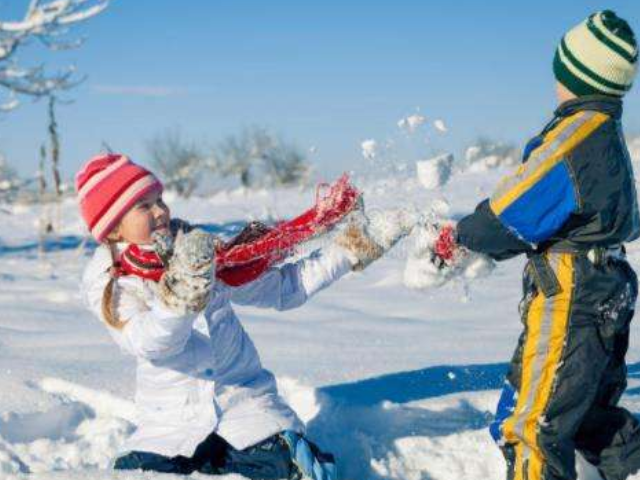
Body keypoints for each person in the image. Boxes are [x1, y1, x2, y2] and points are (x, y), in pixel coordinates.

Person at [77, 153, 402, 479]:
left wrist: (351, 249)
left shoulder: (202, 253)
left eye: (159, 198)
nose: (161, 210)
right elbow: (149, 342)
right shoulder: (114, 282)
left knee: (300, 471)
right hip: (171, 424)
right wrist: (179, 299)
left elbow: (287, 287)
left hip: (245, 409)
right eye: (144, 206)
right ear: (114, 229)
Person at [429, 10, 640, 480]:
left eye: (560, 70)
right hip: (606, 287)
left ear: (576, 75)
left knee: (532, 429)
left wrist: (459, 239)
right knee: (586, 417)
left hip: (573, 295)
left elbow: (513, 211)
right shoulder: (606, 135)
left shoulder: (574, 139)